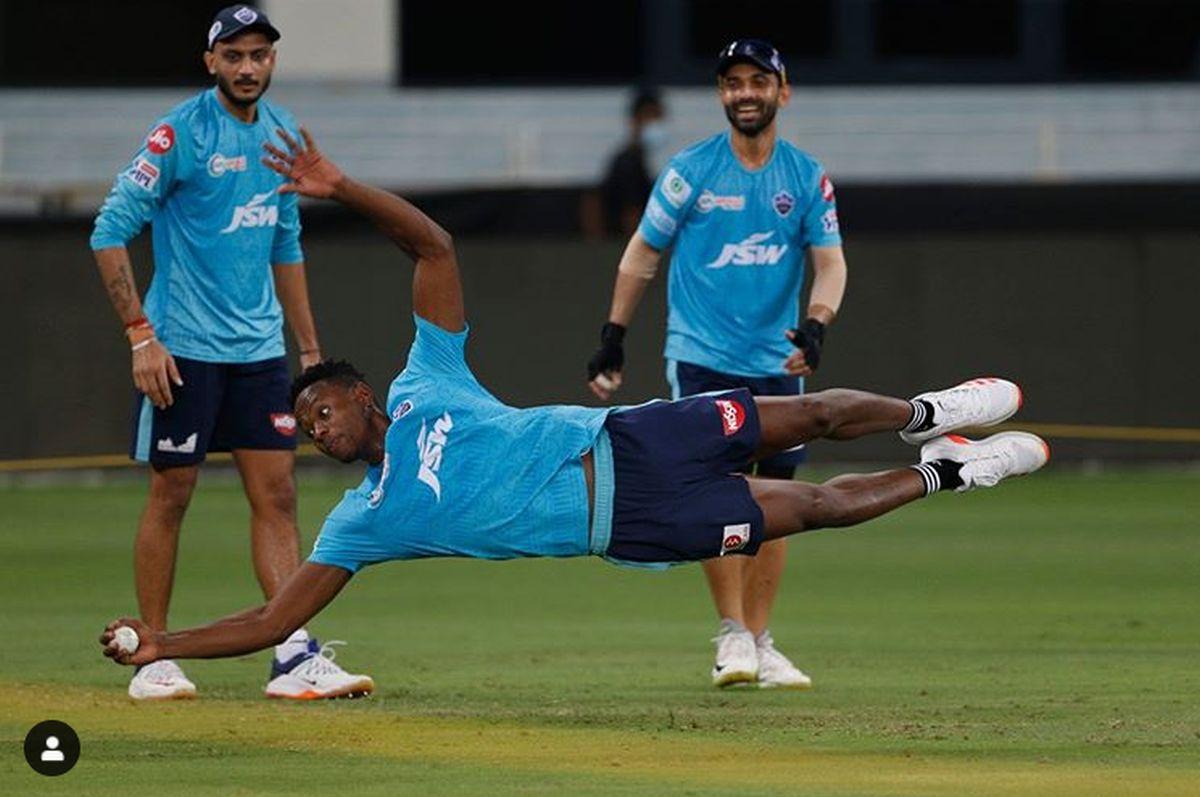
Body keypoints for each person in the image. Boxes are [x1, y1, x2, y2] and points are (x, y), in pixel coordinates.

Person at [99, 129, 1049, 673]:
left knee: (806, 412)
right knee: (817, 509)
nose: (315, 431)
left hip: (634, 436)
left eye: (320, 412)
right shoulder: (365, 520)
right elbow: (271, 623)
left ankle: (927, 411)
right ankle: (952, 471)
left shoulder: (424, 380)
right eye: (306, 431)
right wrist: (161, 643)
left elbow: (434, 250)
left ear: (356, 391)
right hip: (632, 518)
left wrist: (342, 186)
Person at [89, 5, 372, 701]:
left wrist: (308, 351)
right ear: (210, 60)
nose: (249, 67)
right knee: (173, 491)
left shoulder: (281, 135)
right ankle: (154, 655)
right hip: (181, 348)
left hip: (258, 352)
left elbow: (286, 247)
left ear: (273, 61)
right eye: (235, 55)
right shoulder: (179, 133)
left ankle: (294, 653)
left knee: (277, 494)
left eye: (260, 55)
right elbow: (108, 230)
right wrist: (140, 335)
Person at [585, 39, 848, 688]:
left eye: (758, 81)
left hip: (775, 360)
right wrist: (614, 334)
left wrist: (816, 323)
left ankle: (761, 638)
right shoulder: (690, 171)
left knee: (782, 498)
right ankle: (730, 631)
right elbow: (642, 253)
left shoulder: (806, 176)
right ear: (721, 94)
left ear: (783, 91)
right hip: (702, 358)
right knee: (716, 492)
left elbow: (832, 262)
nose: (745, 93)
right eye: (733, 82)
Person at [581, 89, 668, 239]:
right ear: (635, 121)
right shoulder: (627, 162)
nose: (656, 124)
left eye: (658, 118)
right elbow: (631, 215)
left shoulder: (641, 160)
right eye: (650, 117)